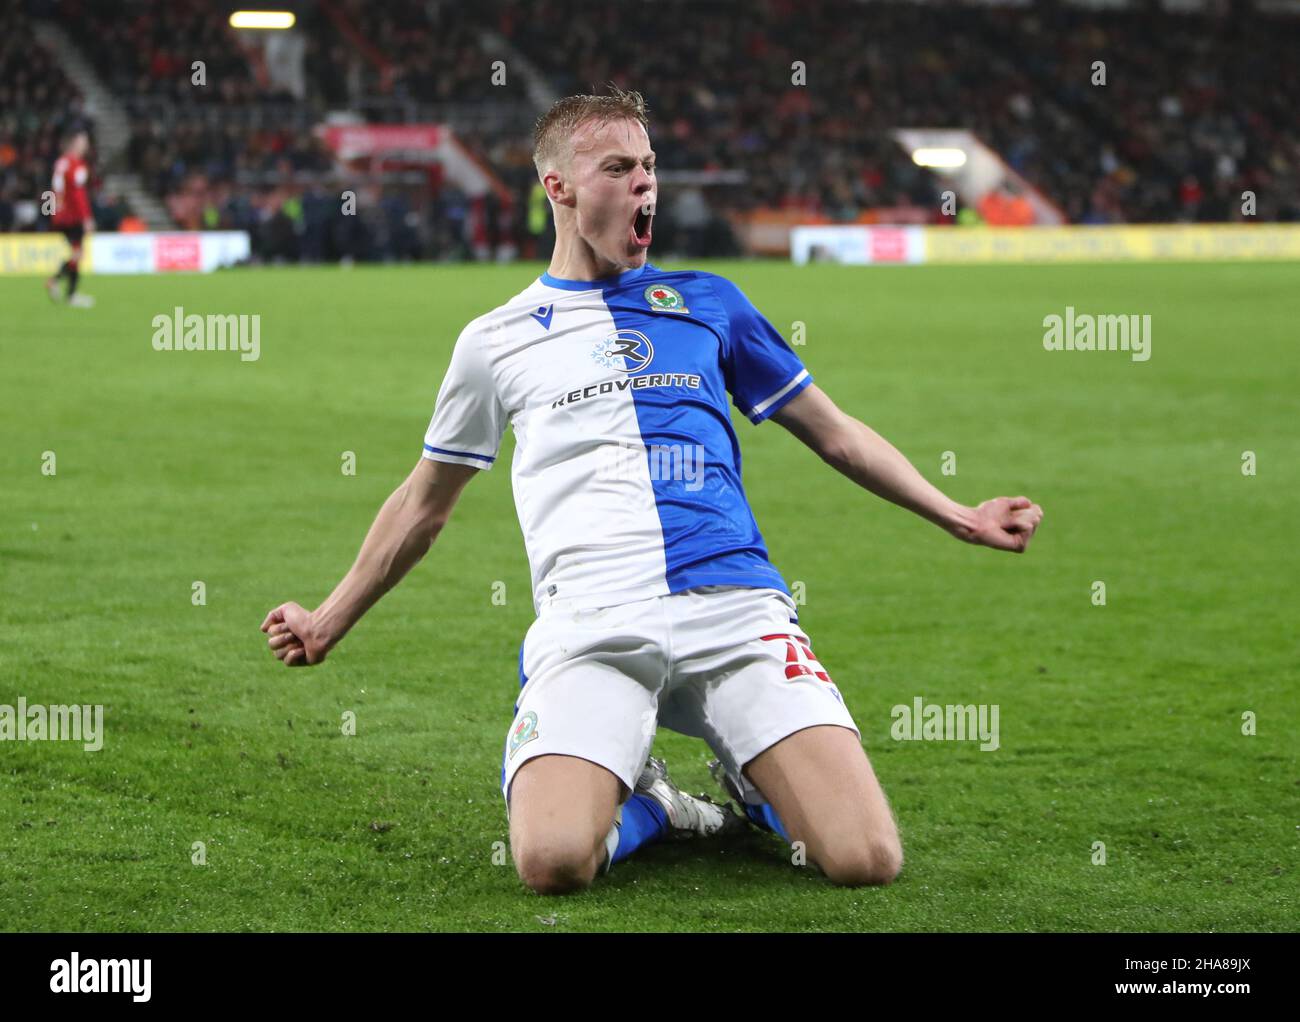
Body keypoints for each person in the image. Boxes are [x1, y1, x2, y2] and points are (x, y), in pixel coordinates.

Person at [261, 88, 1044, 894]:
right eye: (618, 168)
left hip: (735, 608)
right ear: (559, 187)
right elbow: (425, 503)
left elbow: (835, 432)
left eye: (649, 167)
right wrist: (327, 620)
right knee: (552, 862)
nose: (646, 186)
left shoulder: (711, 302)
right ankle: (657, 805)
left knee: (865, 859)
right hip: (592, 620)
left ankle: (754, 782)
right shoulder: (495, 341)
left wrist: (960, 516)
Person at [45, 129, 96, 308]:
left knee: (76, 253)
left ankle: (70, 294)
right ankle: (57, 281)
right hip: (73, 217)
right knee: (78, 254)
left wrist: (51, 213)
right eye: (83, 142)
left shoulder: (60, 163)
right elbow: (78, 194)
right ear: (74, 143)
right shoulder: (77, 165)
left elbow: (52, 189)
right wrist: (87, 218)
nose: (86, 146)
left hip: (60, 216)